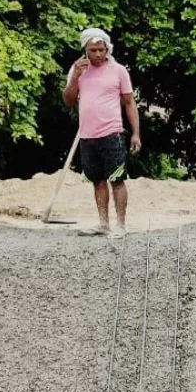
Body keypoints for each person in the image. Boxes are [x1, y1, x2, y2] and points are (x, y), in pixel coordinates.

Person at [63, 27, 141, 238]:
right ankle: (103, 223)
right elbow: (68, 100)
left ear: (107, 49)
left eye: (101, 49)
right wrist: (75, 77)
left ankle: (121, 225)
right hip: (87, 135)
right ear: (85, 50)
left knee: (117, 179)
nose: (98, 54)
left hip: (112, 133)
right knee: (97, 180)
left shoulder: (118, 71)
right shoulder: (78, 69)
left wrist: (136, 133)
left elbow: (129, 102)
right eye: (93, 50)